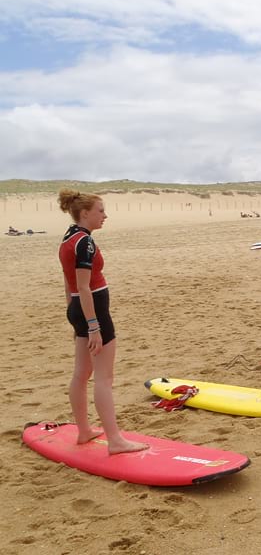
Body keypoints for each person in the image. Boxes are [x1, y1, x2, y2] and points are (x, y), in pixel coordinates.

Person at [57, 189, 148, 454]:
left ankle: (84, 431)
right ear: (85, 213)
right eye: (100, 210)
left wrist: (74, 315)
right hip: (92, 309)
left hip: (78, 308)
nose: (105, 216)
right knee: (103, 379)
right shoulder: (84, 242)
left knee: (81, 373)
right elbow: (85, 287)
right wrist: (93, 326)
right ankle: (116, 441)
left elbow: (68, 281)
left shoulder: (68, 237)